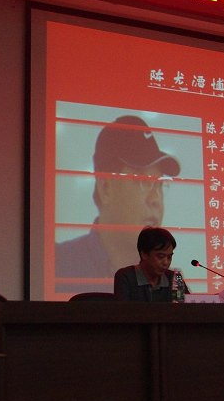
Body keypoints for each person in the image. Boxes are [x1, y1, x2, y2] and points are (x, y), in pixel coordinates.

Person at [55, 115, 180, 289]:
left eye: (159, 184)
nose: (155, 199)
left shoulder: (170, 280)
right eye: (143, 181)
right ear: (105, 188)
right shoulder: (59, 263)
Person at [113, 227, 188, 302]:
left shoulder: (174, 278)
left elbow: (188, 306)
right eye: (160, 256)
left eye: (169, 257)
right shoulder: (126, 277)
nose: (166, 262)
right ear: (144, 254)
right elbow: (122, 309)